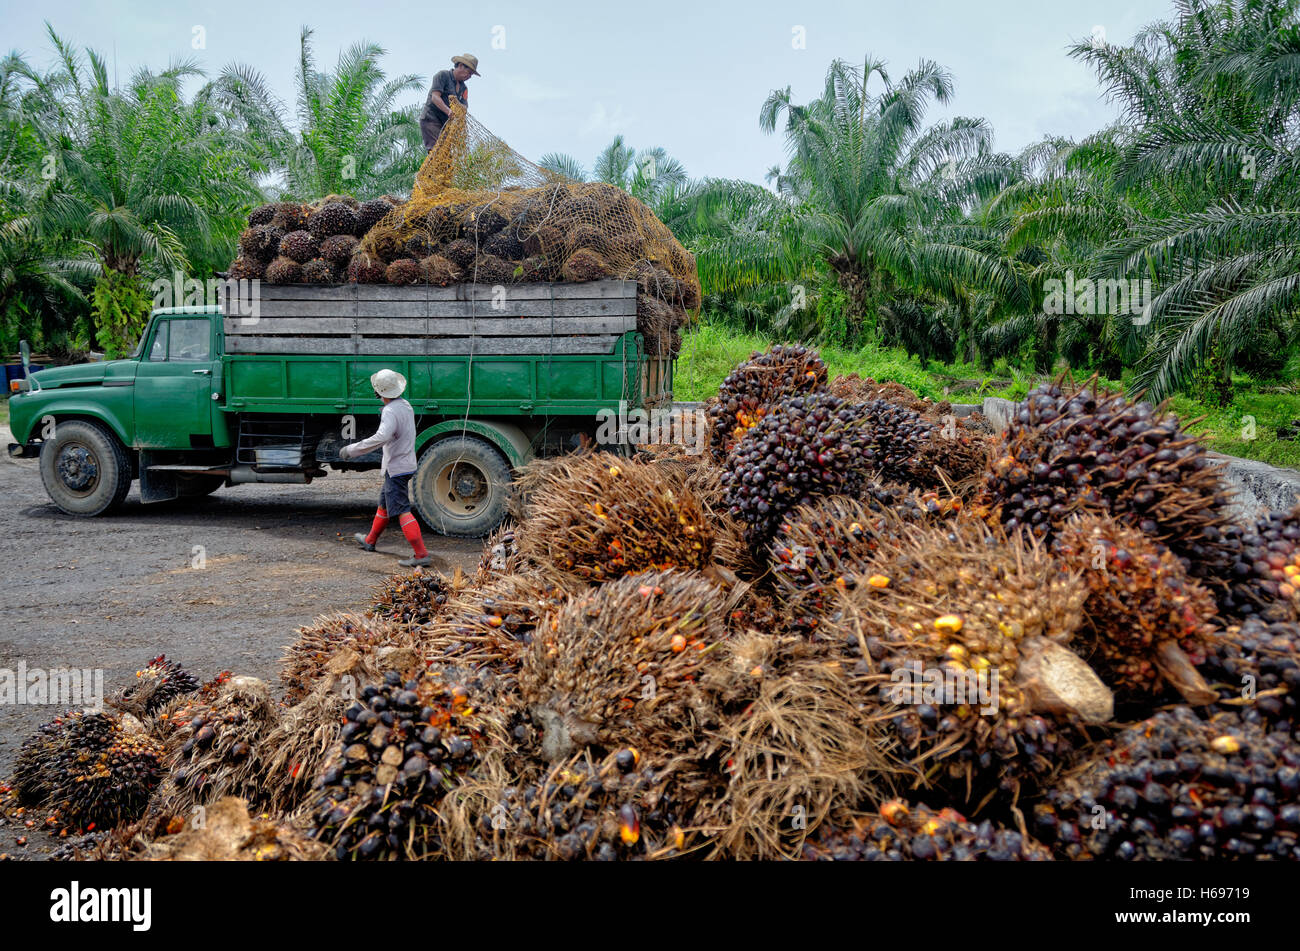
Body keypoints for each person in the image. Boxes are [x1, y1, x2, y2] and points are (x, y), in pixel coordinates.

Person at [339, 369, 431, 567]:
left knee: (402, 510)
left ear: (378, 393)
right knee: (384, 504)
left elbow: (381, 438)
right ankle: (370, 540)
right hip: (405, 463)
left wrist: (352, 450)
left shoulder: (390, 412)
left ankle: (421, 555)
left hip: (396, 467)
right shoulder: (405, 405)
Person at [420, 54, 479, 152]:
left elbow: (464, 107)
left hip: (445, 125)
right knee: (436, 151)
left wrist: (459, 109)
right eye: (468, 73)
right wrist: (448, 111)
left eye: (471, 75)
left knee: (447, 155)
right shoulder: (443, 75)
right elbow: (435, 97)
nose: (469, 77)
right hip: (431, 120)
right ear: (460, 66)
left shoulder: (464, 88)